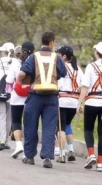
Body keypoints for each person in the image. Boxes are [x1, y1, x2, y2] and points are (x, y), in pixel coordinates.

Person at [18, 31, 66, 168]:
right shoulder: (57, 58)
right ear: (51, 43)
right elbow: (63, 73)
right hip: (51, 97)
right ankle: (47, 158)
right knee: (49, 127)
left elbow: (23, 72)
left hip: (35, 96)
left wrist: (21, 79)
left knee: (30, 126)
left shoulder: (34, 57)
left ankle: (29, 156)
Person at [76, 42, 102, 172]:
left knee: (88, 129)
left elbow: (85, 87)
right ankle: (99, 164)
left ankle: (91, 154)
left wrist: (79, 103)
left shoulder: (90, 67)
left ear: (96, 52)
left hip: (91, 102)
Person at [55, 46, 84, 163]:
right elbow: (83, 85)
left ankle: (62, 153)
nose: (58, 56)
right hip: (74, 101)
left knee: (60, 127)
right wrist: (80, 103)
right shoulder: (78, 69)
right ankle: (71, 149)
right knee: (67, 124)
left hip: (62, 99)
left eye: (59, 54)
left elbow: (57, 84)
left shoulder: (61, 67)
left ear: (64, 56)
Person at [6, 41, 35, 158]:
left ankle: (18, 146)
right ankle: (28, 151)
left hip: (16, 97)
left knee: (16, 121)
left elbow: (9, 81)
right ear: (33, 51)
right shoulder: (34, 63)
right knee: (28, 123)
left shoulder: (15, 64)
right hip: (30, 97)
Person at [0, 42, 14, 150]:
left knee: (0, 117)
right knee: (8, 119)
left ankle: (1, 141)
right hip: (12, 95)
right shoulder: (16, 62)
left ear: (5, 51)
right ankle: (6, 141)